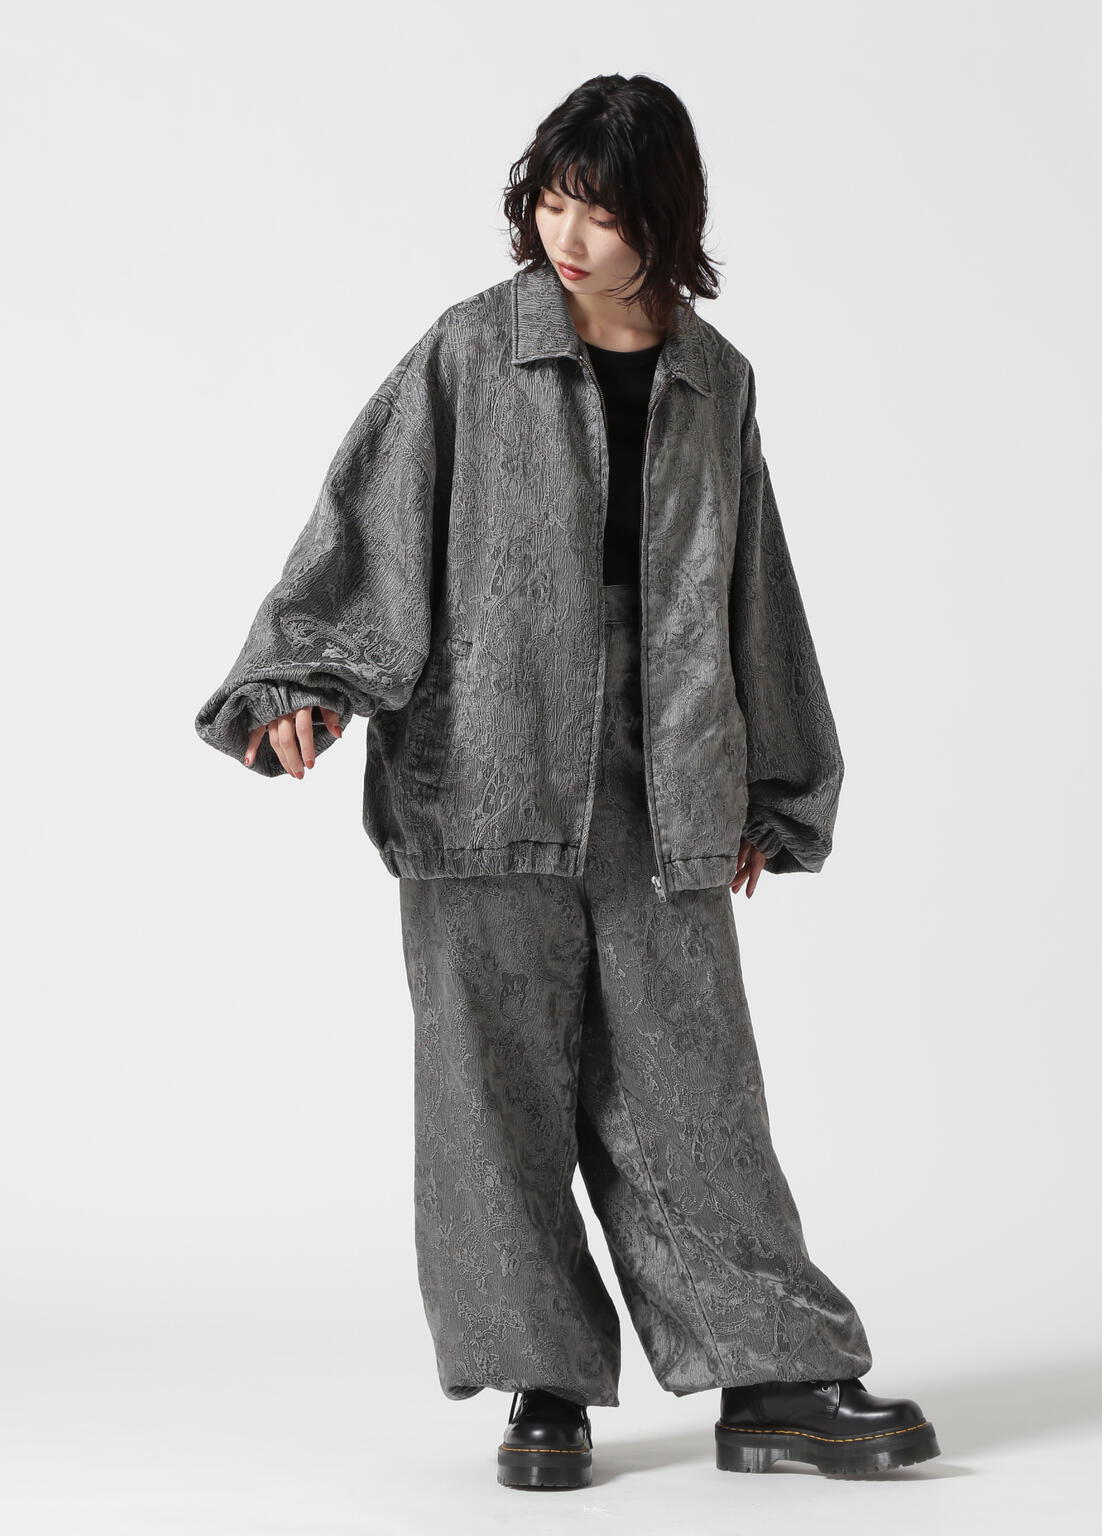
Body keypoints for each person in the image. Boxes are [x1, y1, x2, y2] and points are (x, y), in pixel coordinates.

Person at [194, 73, 940, 1489]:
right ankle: (542, 1387)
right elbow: (367, 526)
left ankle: (772, 1376)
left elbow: (755, 586)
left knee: (692, 1082)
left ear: (666, 220)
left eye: (601, 211)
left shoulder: (716, 380)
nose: (570, 237)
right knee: (493, 1090)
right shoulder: (471, 352)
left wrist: (774, 789)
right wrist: (299, 682)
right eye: (551, 203)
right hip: (483, 762)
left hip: (667, 769)